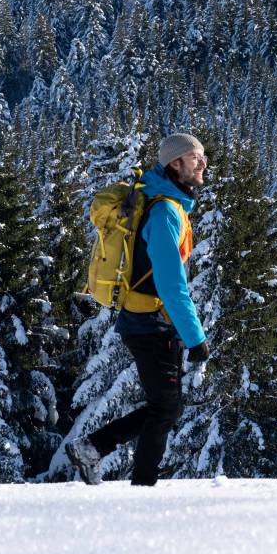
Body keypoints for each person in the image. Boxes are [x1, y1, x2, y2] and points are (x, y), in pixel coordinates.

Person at [66, 133, 210, 486]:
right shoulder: (164, 212)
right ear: (175, 163)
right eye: (196, 158)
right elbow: (171, 282)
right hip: (149, 322)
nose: (203, 164)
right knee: (165, 408)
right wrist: (195, 337)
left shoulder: (167, 204)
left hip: (147, 319)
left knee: (166, 407)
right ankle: (138, 486)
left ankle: (95, 449)